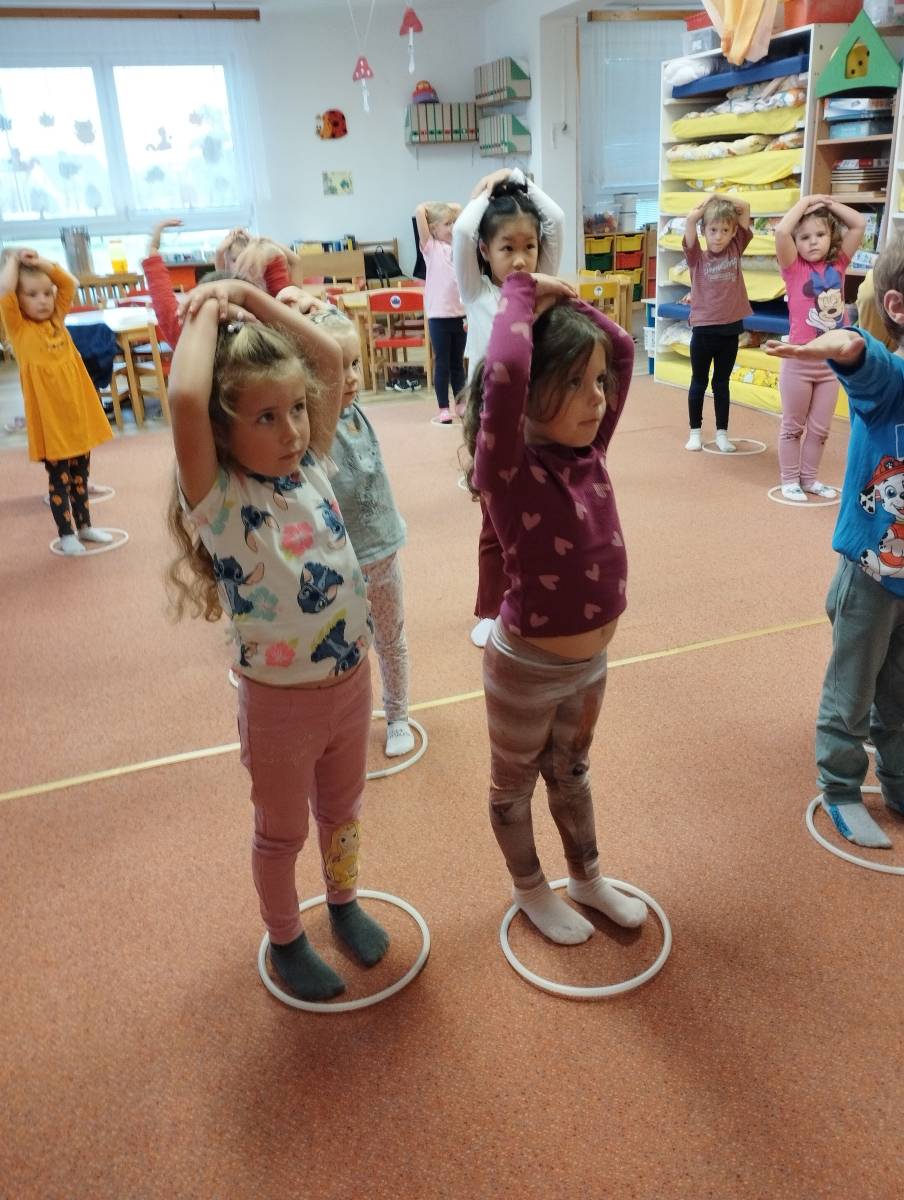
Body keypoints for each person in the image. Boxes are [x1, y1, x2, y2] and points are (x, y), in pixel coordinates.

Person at [166, 276, 388, 1001]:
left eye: (296, 409)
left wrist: (253, 297)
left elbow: (324, 359)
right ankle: (287, 935)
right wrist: (207, 307)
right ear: (224, 432)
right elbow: (185, 400)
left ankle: (343, 902)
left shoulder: (310, 464)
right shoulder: (220, 499)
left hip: (351, 685)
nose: (293, 429)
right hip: (281, 706)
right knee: (282, 832)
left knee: (343, 814)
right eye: (267, 417)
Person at [462, 269, 648, 944]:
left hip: (589, 666)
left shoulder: (589, 452)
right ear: (525, 400)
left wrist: (573, 303)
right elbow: (506, 374)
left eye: (596, 384)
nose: (597, 397)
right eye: (574, 383)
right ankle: (530, 888)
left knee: (571, 774)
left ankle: (586, 876)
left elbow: (621, 350)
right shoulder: (509, 471)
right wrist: (520, 291)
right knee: (513, 786)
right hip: (527, 667)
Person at [764, 236, 904, 850]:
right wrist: (844, 343)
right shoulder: (892, 382)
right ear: (898, 306)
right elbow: (862, 357)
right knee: (853, 689)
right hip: (871, 574)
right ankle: (842, 787)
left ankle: (899, 782)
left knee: (899, 692)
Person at [453, 167, 565, 649]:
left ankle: (536, 595)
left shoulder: (539, 287)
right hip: (490, 419)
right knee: (494, 521)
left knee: (541, 512)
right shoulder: (477, 292)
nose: (520, 259)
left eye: (529, 247)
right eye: (506, 248)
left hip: (539, 416)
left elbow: (555, 219)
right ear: (485, 250)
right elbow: (463, 230)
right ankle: (490, 608)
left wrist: (521, 180)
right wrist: (489, 188)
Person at [307, 306, 415, 759]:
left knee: (391, 639)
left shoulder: (356, 412)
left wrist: (322, 311)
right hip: (338, 564)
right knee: (341, 649)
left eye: (354, 363)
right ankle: (341, 723)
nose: (350, 377)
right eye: (337, 368)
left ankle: (398, 715)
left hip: (382, 550)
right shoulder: (313, 428)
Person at [0, 248, 113, 555]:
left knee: (81, 477)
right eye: (32, 295)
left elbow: (69, 283)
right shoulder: (19, 331)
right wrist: (13, 260)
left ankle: (85, 526)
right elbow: (4, 290)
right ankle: (66, 533)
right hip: (52, 426)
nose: (43, 301)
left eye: (47, 293)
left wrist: (41, 264)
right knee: (60, 481)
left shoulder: (57, 320)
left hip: (77, 418)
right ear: (18, 301)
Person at [774, 193, 866, 502]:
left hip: (830, 362)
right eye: (805, 237)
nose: (813, 242)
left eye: (820, 234)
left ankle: (810, 479)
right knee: (793, 426)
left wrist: (827, 204)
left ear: (831, 237)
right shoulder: (792, 267)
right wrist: (806, 202)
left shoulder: (839, 264)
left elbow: (858, 224)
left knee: (820, 429)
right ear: (796, 242)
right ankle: (790, 480)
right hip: (799, 360)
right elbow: (781, 231)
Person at [143, 219, 292, 350]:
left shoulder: (185, 335)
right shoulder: (267, 327)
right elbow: (278, 282)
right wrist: (258, 243)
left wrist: (154, 244)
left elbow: (161, 294)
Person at [682, 193, 752, 453]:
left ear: (733, 232)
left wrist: (716, 196)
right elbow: (690, 220)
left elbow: (745, 206)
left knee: (721, 383)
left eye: (725, 230)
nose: (719, 236)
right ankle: (695, 432)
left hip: (730, 329)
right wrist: (707, 207)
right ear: (704, 231)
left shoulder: (736, 248)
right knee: (698, 382)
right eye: (713, 230)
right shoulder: (696, 257)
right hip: (703, 330)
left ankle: (722, 433)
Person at [414, 200, 465, 424]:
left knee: (458, 364)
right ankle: (443, 407)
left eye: (453, 223)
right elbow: (419, 211)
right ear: (434, 228)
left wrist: (451, 211)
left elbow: (461, 211)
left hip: (459, 315)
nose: (452, 227)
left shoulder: (458, 247)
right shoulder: (431, 248)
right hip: (438, 317)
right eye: (447, 224)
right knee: (442, 363)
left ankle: (461, 404)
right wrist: (432, 206)